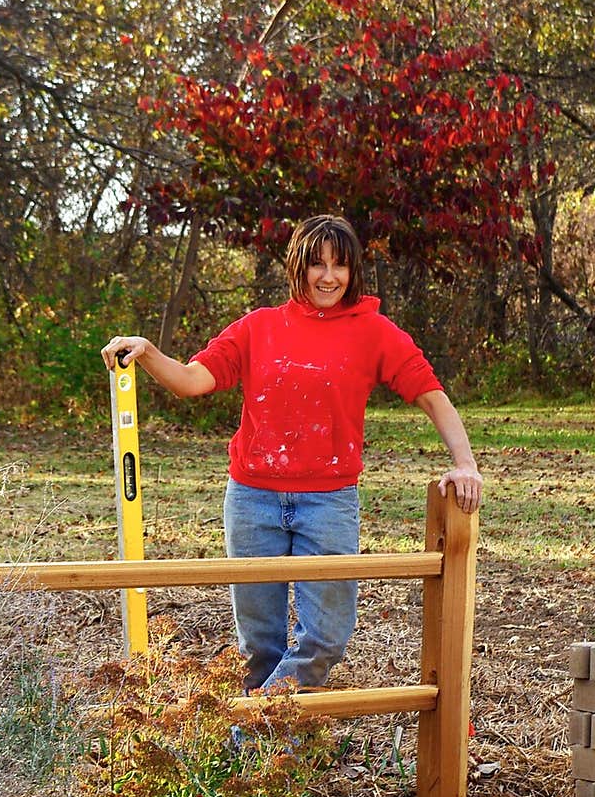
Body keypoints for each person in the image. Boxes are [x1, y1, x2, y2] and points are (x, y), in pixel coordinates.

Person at [101, 214, 482, 692]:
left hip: (328, 501)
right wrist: (150, 353)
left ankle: (243, 733)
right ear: (296, 267)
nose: (328, 276)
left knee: (325, 638)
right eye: (316, 264)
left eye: (339, 265)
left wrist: (465, 463)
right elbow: (193, 380)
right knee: (260, 647)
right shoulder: (259, 328)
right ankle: (274, 761)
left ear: (353, 271)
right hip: (252, 499)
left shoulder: (374, 331)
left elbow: (431, 394)